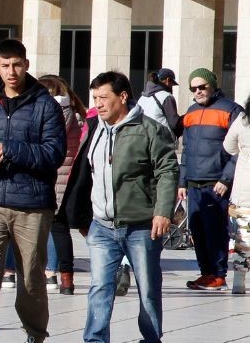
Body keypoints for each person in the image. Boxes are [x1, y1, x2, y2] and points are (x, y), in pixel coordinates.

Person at [60, 71, 177, 343]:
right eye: (95, 98)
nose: (98, 104)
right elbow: (86, 174)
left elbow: (168, 170)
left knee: (147, 289)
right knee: (99, 287)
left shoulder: (150, 129)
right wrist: (83, 215)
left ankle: (151, 338)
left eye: (104, 97)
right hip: (102, 226)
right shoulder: (95, 129)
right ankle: (95, 339)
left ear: (122, 96)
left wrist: (163, 211)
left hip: (141, 227)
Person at [0, 38, 65, 343]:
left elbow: (53, 153)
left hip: (31, 205)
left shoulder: (45, 104)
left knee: (31, 278)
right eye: (5, 65)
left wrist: (12, 150)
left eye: (17, 64)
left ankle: (35, 334)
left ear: (26, 65)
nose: (11, 71)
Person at [177, 67, 243, 291]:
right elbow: (185, 149)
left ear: (213, 85)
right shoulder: (191, 112)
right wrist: (181, 181)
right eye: (193, 88)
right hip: (193, 182)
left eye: (202, 87)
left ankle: (218, 274)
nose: (198, 91)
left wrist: (226, 178)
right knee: (197, 229)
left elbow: (240, 149)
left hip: (216, 182)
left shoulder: (232, 110)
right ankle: (206, 273)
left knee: (215, 229)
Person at [39, 74, 87, 295]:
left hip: (56, 175)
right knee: (61, 228)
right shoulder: (73, 111)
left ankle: (51, 273)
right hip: (68, 176)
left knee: (54, 227)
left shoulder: (58, 114)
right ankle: (66, 280)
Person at [224, 106, 250, 293]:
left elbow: (228, 147)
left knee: (242, 239)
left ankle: (239, 283)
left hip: (244, 190)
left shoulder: (242, 120)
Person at [139, 68, 181, 136]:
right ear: (168, 80)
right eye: (172, 84)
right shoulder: (167, 97)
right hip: (161, 141)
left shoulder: (142, 97)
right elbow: (174, 124)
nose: (172, 87)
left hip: (143, 138)